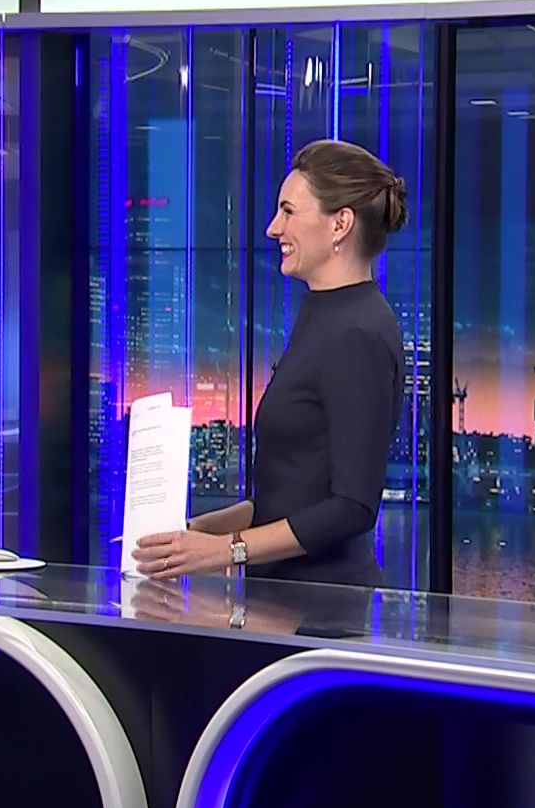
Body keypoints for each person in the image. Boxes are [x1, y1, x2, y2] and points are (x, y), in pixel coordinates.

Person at [134, 139, 406, 588]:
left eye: (288, 212)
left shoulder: (358, 332)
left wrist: (226, 550)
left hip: (322, 606)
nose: (273, 228)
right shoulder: (324, 315)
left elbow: (353, 507)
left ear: (340, 224)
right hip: (280, 599)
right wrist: (195, 535)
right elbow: (290, 498)